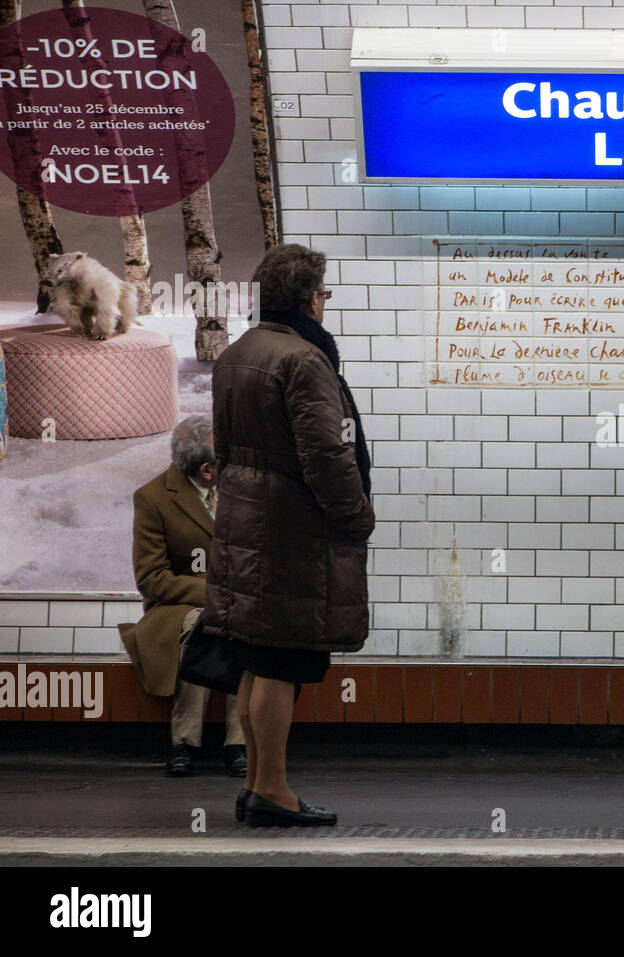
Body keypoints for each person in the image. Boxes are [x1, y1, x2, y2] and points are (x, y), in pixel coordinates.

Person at [205, 243, 375, 826]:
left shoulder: (237, 354)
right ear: (310, 299)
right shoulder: (302, 359)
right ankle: (273, 790)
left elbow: (223, 452)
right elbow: (325, 454)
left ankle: (256, 784)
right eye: (324, 294)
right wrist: (356, 516)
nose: (324, 303)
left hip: (248, 524)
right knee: (280, 662)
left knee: (257, 659)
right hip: (292, 533)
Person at [119, 415, 246, 778]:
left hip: (238, 603)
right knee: (204, 626)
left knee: (243, 627)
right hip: (176, 611)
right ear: (207, 470)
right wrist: (214, 594)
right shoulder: (153, 499)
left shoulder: (238, 489)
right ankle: (184, 742)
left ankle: (239, 743)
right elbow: (151, 578)